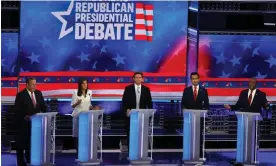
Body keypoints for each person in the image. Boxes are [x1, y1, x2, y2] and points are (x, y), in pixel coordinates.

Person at [14, 77, 47, 166]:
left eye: (35, 84)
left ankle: (31, 161)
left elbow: (43, 107)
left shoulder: (38, 93)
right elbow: (17, 110)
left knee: (32, 145)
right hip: (24, 125)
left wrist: (47, 113)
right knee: (22, 145)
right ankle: (21, 163)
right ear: (27, 85)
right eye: (32, 84)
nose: (34, 86)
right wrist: (25, 117)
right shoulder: (20, 95)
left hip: (36, 124)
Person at [122, 72, 153, 150]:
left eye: (140, 77)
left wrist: (149, 114)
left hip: (142, 116)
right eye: (136, 77)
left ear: (142, 79)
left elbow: (149, 103)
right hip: (131, 116)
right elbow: (124, 102)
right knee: (131, 134)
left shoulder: (146, 89)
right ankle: (131, 152)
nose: (138, 79)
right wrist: (126, 110)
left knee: (142, 134)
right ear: (133, 79)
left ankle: (142, 150)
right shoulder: (128, 89)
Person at [181, 72, 209, 158]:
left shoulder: (203, 91)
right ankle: (188, 154)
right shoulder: (187, 90)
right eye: (193, 79)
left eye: (196, 78)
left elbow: (207, 104)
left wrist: (204, 112)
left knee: (199, 137)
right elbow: (183, 103)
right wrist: (184, 112)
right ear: (191, 80)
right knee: (189, 135)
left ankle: (199, 154)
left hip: (199, 118)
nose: (195, 80)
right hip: (189, 118)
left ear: (199, 79)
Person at [71, 78, 99, 156]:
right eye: (83, 83)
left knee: (85, 134)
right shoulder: (75, 92)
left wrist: (93, 108)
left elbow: (89, 104)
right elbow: (72, 106)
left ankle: (85, 151)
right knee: (77, 135)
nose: (85, 85)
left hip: (86, 117)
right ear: (80, 85)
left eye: (86, 83)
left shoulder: (90, 92)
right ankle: (78, 152)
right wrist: (77, 103)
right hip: (77, 116)